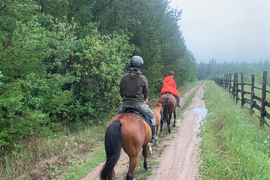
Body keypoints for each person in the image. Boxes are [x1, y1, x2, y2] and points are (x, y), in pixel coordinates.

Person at [118, 55, 158, 142]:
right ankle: (153, 136)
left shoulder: (124, 77)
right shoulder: (142, 78)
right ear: (140, 66)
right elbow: (145, 93)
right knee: (151, 116)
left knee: (116, 119)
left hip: (125, 105)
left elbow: (121, 92)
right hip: (139, 105)